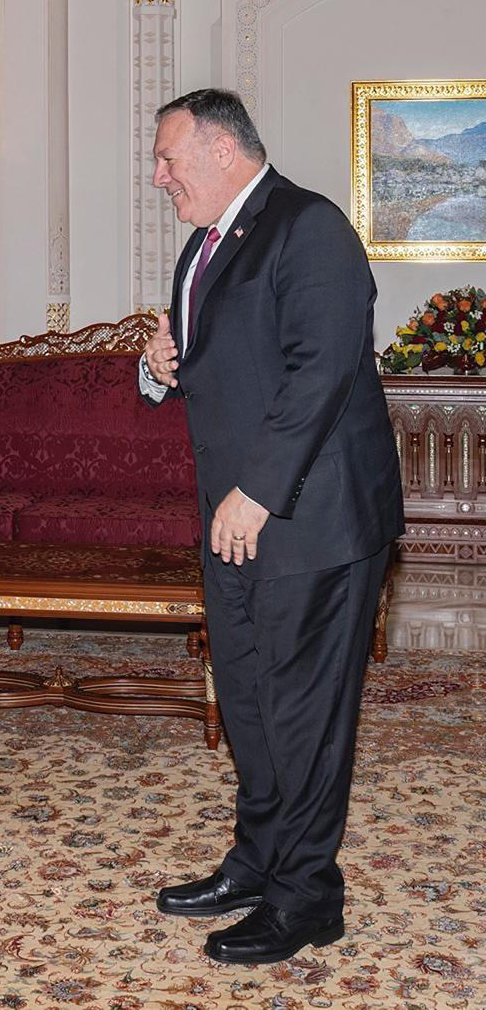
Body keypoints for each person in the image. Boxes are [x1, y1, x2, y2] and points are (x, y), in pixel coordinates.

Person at [139, 89, 403, 965]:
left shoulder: (310, 226)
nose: (160, 175)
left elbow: (321, 369)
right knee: (250, 702)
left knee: (304, 715)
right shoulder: (206, 243)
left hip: (308, 519)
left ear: (222, 150)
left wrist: (257, 489)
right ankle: (256, 862)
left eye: (170, 158)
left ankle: (306, 898)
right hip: (236, 519)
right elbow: (221, 364)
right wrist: (159, 366)